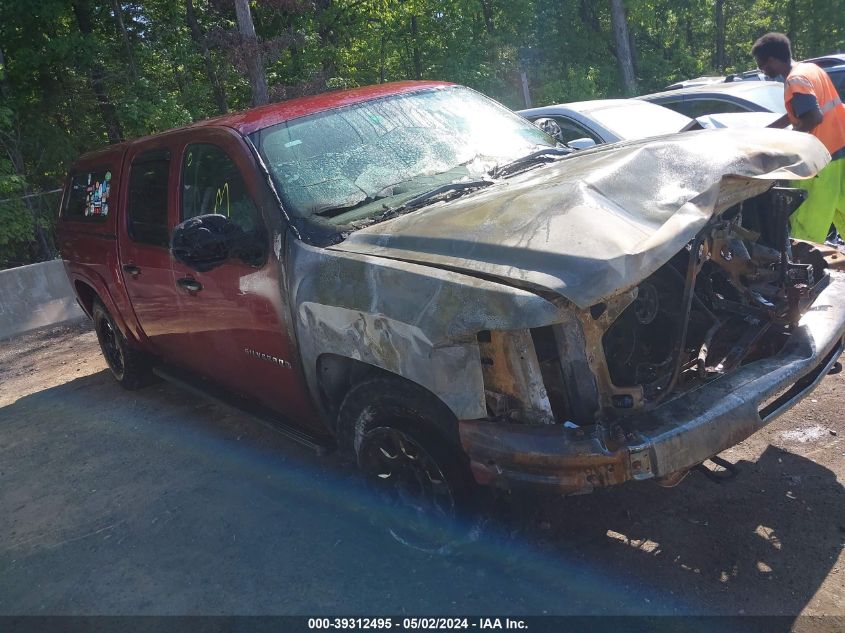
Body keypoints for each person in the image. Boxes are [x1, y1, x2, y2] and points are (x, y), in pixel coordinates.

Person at [752, 32, 845, 243]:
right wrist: (770, 131)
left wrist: (789, 145)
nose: (762, 70)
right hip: (839, 153)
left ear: (773, 60)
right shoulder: (811, 70)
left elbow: (813, 117)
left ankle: (800, 271)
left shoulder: (795, 80)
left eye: (762, 64)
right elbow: (801, 111)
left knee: (806, 225)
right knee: (841, 211)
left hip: (819, 162)